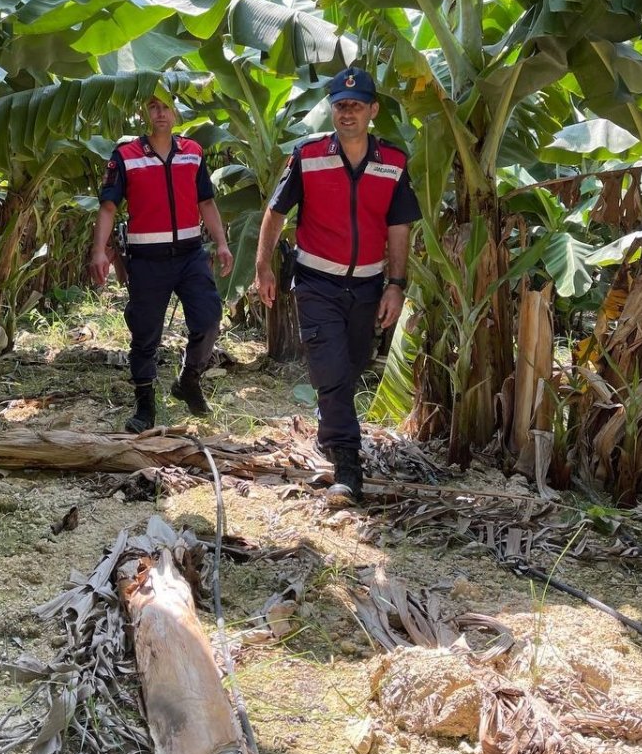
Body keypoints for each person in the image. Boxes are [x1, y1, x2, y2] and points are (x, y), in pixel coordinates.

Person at [255, 67, 421, 505]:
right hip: (316, 281)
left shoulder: (394, 162)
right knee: (329, 368)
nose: (347, 113)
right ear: (332, 109)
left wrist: (396, 284)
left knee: (352, 365)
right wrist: (263, 268)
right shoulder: (307, 156)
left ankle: (330, 423)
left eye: (356, 105)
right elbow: (275, 214)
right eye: (340, 105)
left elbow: (399, 226)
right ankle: (348, 466)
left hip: (368, 285)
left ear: (372, 111)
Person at [90, 94, 233, 433]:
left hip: (190, 255)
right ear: (145, 112)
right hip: (146, 259)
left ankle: (188, 379)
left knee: (209, 318)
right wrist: (99, 250)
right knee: (144, 335)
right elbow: (108, 207)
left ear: (176, 112)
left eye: (166, 106)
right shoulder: (125, 156)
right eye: (153, 107)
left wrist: (223, 243)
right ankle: (145, 405)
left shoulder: (193, 153)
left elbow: (207, 202)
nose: (160, 113)